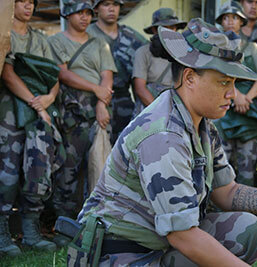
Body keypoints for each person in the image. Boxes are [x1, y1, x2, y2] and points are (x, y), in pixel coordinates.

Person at [75, 18, 257, 266]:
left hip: (161, 241)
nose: (232, 94)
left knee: (247, 229)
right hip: (123, 251)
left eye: (233, 83)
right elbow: (183, 235)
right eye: (223, 82)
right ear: (189, 78)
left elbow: (227, 192)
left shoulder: (201, 124)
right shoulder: (163, 136)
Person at [0, 0, 63, 255]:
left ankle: (31, 231)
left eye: (31, 2)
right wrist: (38, 105)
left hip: (39, 111)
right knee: (8, 172)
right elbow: (7, 73)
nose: (27, 6)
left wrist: (48, 99)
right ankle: (3, 233)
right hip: (9, 113)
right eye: (21, 1)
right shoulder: (4, 35)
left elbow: (54, 77)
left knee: (38, 168)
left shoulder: (40, 39)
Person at [48, 0, 116, 219]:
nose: (85, 17)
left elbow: (107, 76)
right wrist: (96, 90)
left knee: (99, 164)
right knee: (68, 167)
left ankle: (95, 219)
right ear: (68, 15)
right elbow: (63, 74)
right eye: (79, 13)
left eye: (88, 13)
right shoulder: (56, 41)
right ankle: (64, 220)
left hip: (99, 109)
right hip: (72, 112)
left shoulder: (100, 43)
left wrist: (101, 103)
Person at [214, 1, 257, 186]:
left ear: (241, 22)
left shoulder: (252, 48)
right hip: (222, 112)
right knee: (220, 170)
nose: (230, 21)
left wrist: (246, 98)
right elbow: (215, 75)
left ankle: (249, 212)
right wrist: (235, 95)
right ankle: (220, 213)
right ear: (220, 22)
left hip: (248, 113)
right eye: (226, 18)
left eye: (235, 18)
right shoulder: (214, 46)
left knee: (247, 170)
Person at [88, 0, 148, 144]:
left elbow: (148, 62)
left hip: (123, 102)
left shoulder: (132, 37)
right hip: (91, 101)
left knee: (124, 152)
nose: (111, 9)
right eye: (106, 4)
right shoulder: (86, 35)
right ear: (96, 8)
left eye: (115, 5)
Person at [131, 7, 186, 117]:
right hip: (150, 109)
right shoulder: (143, 52)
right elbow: (140, 88)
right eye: (165, 27)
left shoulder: (183, 52)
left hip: (176, 106)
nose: (169, 31)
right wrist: (160, 112)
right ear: (154, 30)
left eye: (172, 27)